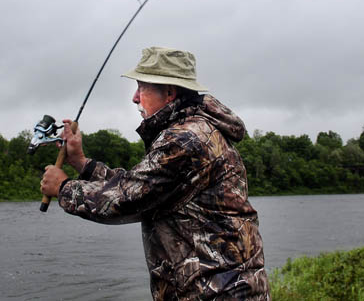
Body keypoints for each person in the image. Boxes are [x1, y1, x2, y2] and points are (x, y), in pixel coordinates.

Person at [41, 46, 270, 300]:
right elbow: (141, 185)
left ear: (170, 92)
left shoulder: (186, 140)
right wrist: (83, 164)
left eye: (142, 88)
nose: (135, 98)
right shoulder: (193, 130)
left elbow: (126, 199)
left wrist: (63, 188)